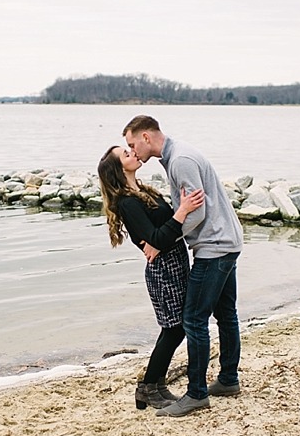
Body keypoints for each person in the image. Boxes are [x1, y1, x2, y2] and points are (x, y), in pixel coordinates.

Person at [122, 115, 244, 417]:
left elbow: (196, 212)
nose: (133, 151)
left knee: (193, 319)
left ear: (147, 137)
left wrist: (160, 242)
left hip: (214, 247)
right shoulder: (174, 158)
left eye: (133, 144)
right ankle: (228, 379)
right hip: (225, 241)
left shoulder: (181, 160)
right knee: (226, 313)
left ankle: (196, 394)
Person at [98, 145, 204, 410]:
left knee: (174, 328)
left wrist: (180, 209)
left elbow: (162, 233)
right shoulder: (128, 202)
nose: (133, 153)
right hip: (163, 269)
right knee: (174, 329)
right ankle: (146, 387)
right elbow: (156, 238)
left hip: (176, 262)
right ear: (119, 169)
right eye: (126, 154)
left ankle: (156, 385)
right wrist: (182, 211)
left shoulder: (144, 192)